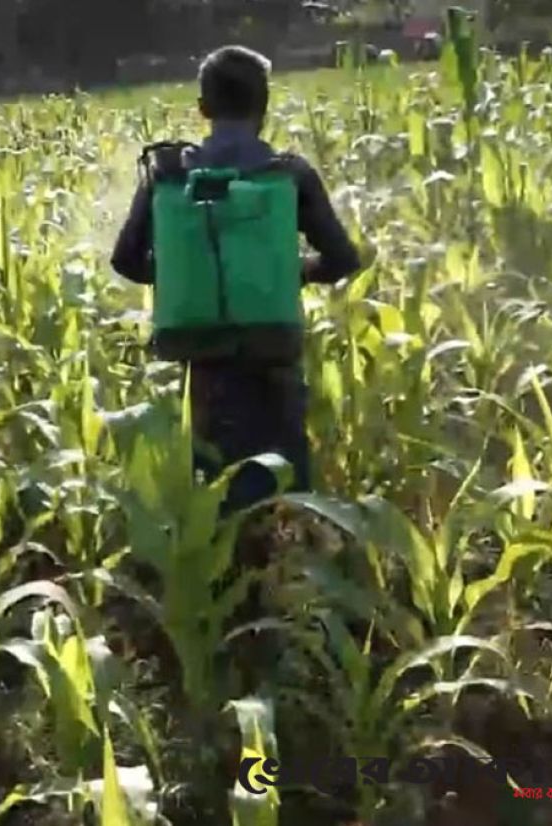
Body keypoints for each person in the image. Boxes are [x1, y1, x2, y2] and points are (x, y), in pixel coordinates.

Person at [110, 45, 363, 535]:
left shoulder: (168, 174)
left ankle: (226, 584)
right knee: (284, 479)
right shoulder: (289, 174)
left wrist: (187, 273)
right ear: (264, 107)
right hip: (273, 349)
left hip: (202, 354)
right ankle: (284, 573)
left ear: (203, 108)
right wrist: (291, 272)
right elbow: (342, 260)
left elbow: (125, 260)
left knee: (213, 484)